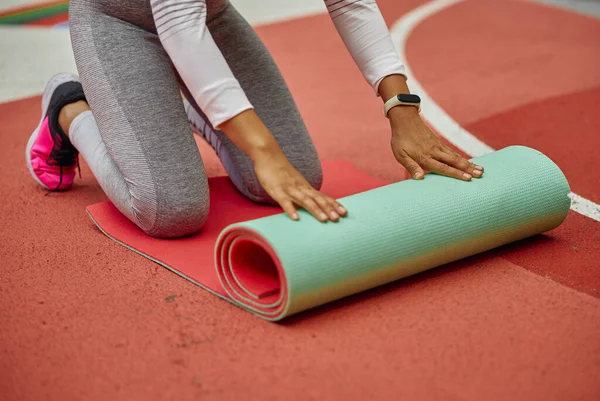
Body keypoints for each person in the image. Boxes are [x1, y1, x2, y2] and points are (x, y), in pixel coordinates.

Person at [25, 0, 483, 239]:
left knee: (294, 177)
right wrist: (262, 149)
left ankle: (174, 110)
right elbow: (178, 27)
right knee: (171, 212)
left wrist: (402, 111)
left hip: (209, 14)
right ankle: (71, 109)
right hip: (117, 20)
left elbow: (349, 2)